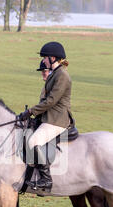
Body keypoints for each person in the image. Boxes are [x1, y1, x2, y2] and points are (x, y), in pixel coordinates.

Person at [18, 41, 73, 191]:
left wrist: (30, 112)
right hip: (48, 117)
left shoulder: (62, 75)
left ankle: (46, 179)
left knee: (33, 142)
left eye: (45, 57)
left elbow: (51, 101)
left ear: (53, 58)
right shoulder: (55, 73)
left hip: (57, 119)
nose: (43, 60)